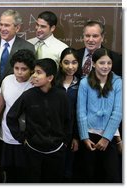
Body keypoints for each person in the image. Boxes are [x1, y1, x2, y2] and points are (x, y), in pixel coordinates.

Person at [7, 58, 71, 183]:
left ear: (50, 78)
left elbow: (68, 120)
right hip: (33, 150)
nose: (34, 76)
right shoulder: (28, 95)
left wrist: (65, 142)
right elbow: (11, 117)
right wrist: (22, 138)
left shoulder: (61, 96)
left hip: (57, 150)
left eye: (39, 72)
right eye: (34, 72)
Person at [76, 48, 122, 183]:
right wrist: (84, 136)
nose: (106, 66)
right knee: (89, 175)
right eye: (102, 63)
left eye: (109, 63)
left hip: (109, 135)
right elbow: (81, 111)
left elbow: (118, 112)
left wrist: (106, 138)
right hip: (89, 135)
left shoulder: (118, 82)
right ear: (94, 63)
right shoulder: (85, 82)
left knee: (111, 175)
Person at [0, 49, 35, 183]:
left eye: (24, 69)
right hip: (7, 134)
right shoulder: (7, 80)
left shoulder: (35, 83)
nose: (19, 72)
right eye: (16, 68)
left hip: (27, 136)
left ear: (31, 69)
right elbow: (2, 105)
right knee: (8, 171)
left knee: (24, 172)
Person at [0, 9, 35, 84]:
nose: (2, 29)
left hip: (15, 92)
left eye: (7, 25)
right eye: (1, 24)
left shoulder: (28, 47)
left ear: (17, 28)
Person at [55, 47, 80, 182]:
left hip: (71, 134)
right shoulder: (53, 82)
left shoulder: (81, 83)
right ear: (60, 63)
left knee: (67, 171)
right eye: (66, 62)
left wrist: (76, 137)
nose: (70, 66)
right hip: (52, 134)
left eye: (74, 62)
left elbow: (80, 112)